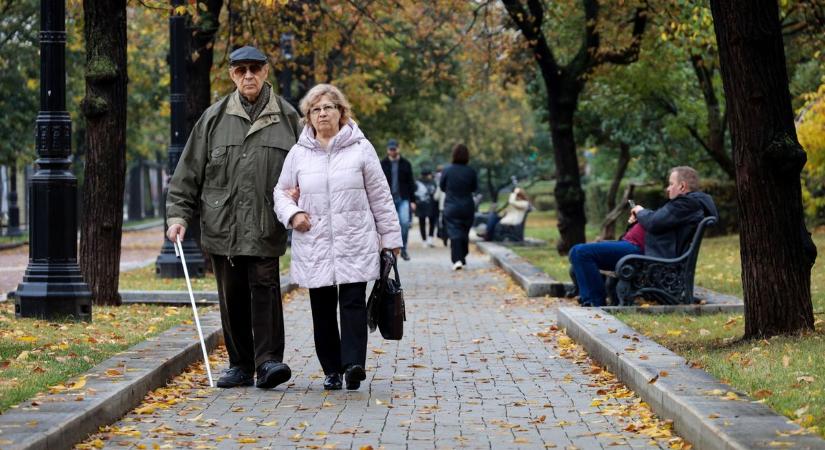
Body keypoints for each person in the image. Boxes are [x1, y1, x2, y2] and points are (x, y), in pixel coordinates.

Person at [166, 46, 301, 389]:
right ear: (232, 75)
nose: (249, 76)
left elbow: (309, 169)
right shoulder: (213, 119)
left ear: (266, 71)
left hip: (265, 223)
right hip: (222, 226)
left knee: (265, 289)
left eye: (255, 68)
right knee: (233, 296)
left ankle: (268, 361)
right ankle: (240, 364)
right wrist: (178, 216)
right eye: (241, 70)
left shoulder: (287, 118)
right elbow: (188, 174)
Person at [273, 84, 402, 391]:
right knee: (322, 308)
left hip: (354, 240)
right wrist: (293, 214)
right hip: (315, 242)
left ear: (341, 112)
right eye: (315, 110)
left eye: (328, 107)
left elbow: (381, 196)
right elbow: (280, 192)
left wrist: (390, 239)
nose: (322, 114)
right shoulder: (298, 153)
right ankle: (331, 369)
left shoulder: (361, 148)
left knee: (353, 302)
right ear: (308, 117)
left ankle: (353, 365)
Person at [568, 166, 718, 307]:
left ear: (682, 186)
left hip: (642, 253)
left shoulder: (686, 203)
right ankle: (594, 300)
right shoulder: (685, 204)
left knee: (581, 252)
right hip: (637, 248)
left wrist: (640, 211)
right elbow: (658, 221)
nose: (668, 188)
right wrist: (639, 218)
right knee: (579, 254)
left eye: (671, 184)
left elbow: (654, 222)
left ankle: (595, 304)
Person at [440, 144, 478, 270]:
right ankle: (462, 255)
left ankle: (457, 259)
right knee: (464, 232)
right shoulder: (471, 171)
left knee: (454, 233)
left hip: (451, 205)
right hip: (467, 206)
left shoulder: (447, 170)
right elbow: (474, 188)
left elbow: (442, 187)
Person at [380, 139, 415, 260]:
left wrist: (413, 201)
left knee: (404, 223)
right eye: (390, 149)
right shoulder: (382, 164)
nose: (392, 151)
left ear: (398, 149)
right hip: (387, 200)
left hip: (403, 198)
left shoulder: (406, 164)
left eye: (394, 148)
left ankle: (403, 248)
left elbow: (411, 183)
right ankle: (389, 249)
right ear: (387, 150)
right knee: (387, 225)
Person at [414, 169, 439, 247]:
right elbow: (436, 193)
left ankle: (424, 240)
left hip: (420, 205)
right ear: (429, 174)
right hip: (432, 205)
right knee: (432, 223)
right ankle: (430, 239)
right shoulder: (433, 182)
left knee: (422, 223)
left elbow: (414, 193)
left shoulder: (417, 182)